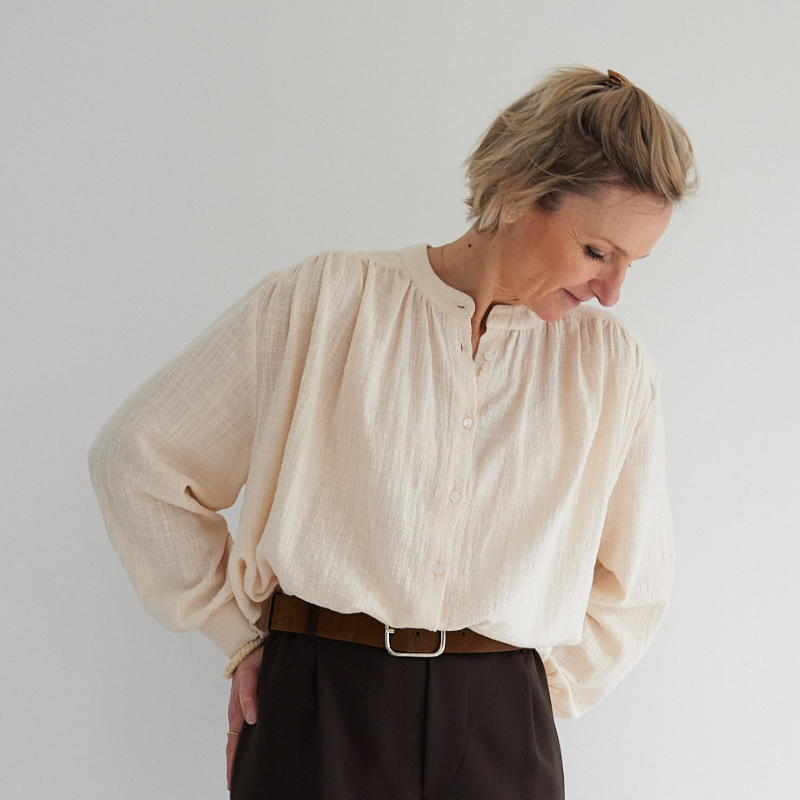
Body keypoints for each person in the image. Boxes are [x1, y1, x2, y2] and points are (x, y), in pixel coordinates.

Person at [88, 65, 696, 799]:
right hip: (319, 704)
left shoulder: (611, 367)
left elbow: (636, 586)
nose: (613, 292)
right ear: (517, 194)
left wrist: (524, 695)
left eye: (633, 263)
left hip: (503, 721)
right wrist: (236, 633)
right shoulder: (329, 301)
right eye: (598, 252)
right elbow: (138, 459)